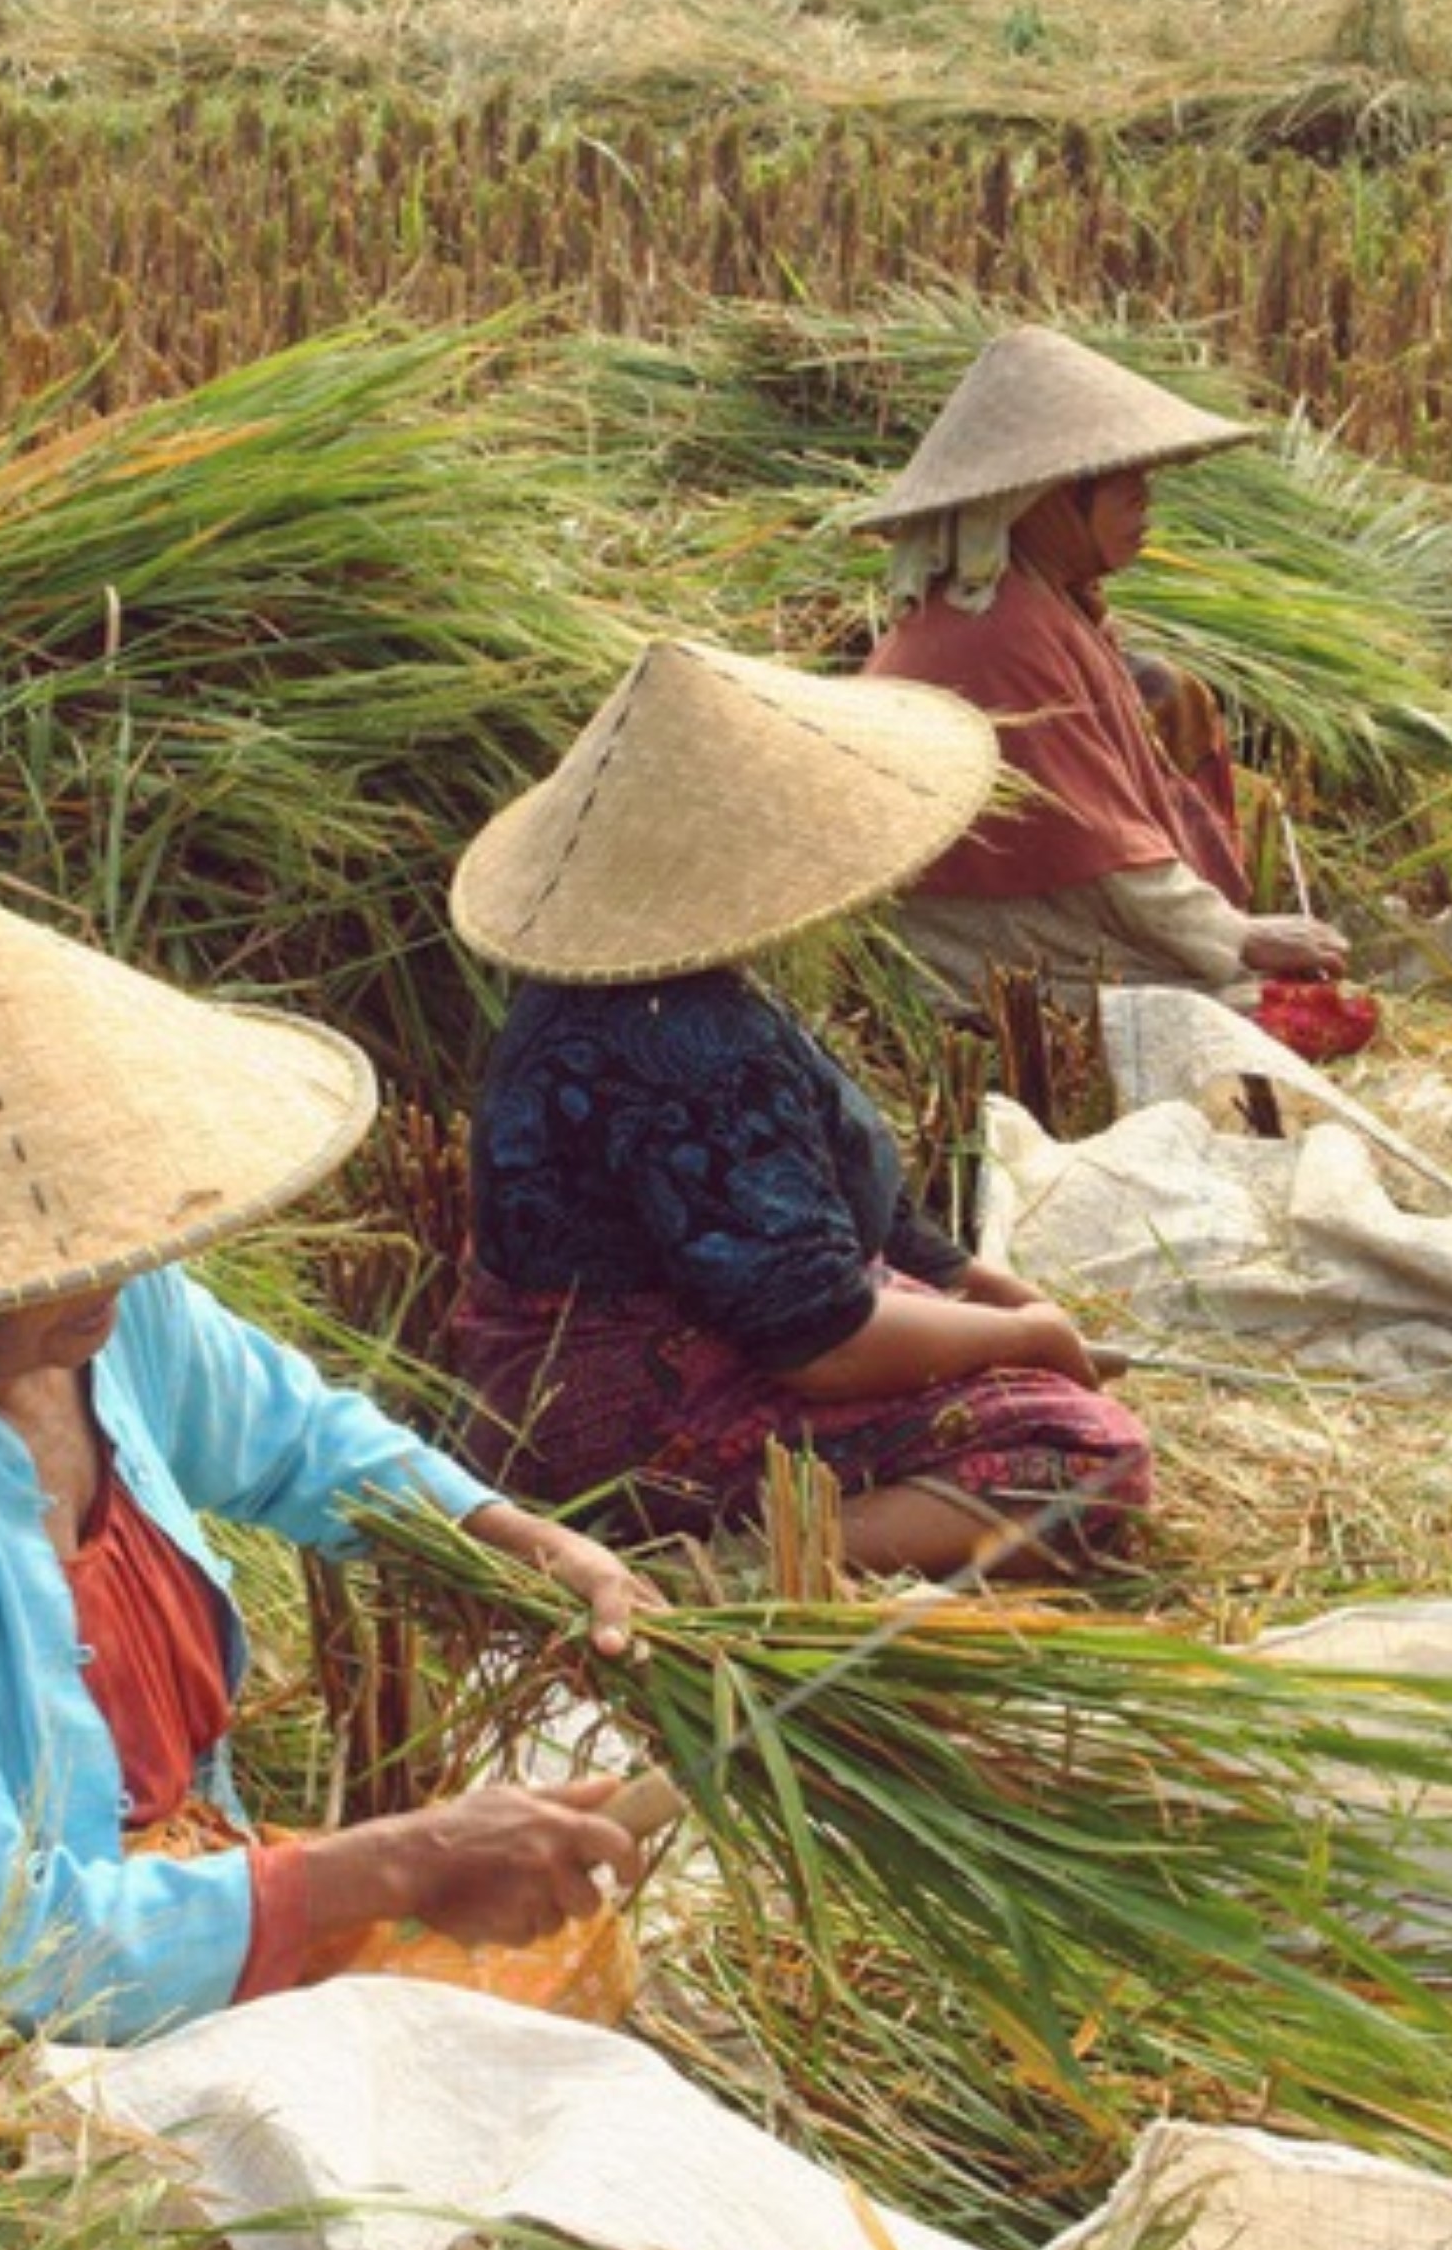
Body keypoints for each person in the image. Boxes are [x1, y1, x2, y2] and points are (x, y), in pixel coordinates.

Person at [0, 865, 659, 2067]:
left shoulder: (103, 1309)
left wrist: (515, 1541)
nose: (106, 1272)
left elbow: (304, 1443)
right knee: (142, 2170)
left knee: (542, 1965)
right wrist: (391, 1860)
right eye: (44, 1259)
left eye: (101, 1229)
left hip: (142, 1884)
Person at [448, 637, 1153, 1582]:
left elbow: (845, 1229)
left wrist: (989, 1292)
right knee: (1087, 1454)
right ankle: (723, 1568)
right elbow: (819, 1343)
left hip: (613, 1350)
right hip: (622, 1421)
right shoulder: (682, 1040)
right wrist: (1029, 1339)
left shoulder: (638, 986)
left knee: (981, 1359)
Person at [857, 325, 1351, 1012]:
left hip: (1029, 910)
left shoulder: (1042, 600)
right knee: (1277, 1009)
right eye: (1125, 485)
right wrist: (1235, 938)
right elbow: (1098, 854)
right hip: (969, 947)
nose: (1145, 503)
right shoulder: (998, 635)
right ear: (1051, 499)